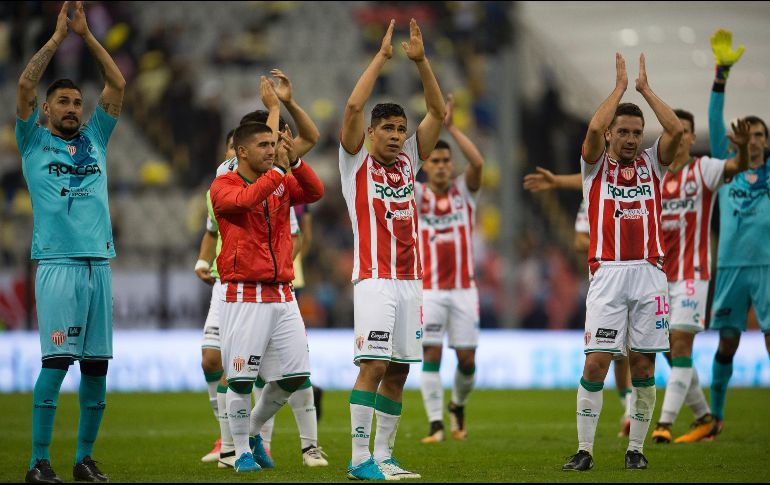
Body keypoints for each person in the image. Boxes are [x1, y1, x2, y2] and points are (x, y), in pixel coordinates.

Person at [15, 2, 125, 482]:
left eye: (77, 103)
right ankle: (39, 462)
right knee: (57, 362)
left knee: (96, 369)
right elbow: (23, 83)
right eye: (63, 102)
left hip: (99, 264)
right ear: (46, 109)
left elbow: (117, 85)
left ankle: (83, 460)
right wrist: (60, 39)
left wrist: (88, 37)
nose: (73, 108)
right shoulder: (34, 142)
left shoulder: (97, 138)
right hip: (57, 264)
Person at [196, 72, 328, 468]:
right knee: (238, 379)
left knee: (294, 376)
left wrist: (296, 161)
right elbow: (250, 198)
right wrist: (279, 167)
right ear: (239, 152)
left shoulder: (279, 179)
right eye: (264, 145)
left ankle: (250, 432)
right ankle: (236, 454)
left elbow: (315, 192)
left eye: (274, 145)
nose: (272, 150)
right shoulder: (223, 186)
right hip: (243, 294)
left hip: (283, 294)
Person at [562, 53, 683, 472]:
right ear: (613, 135)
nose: (631, 139)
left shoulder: (653, 163)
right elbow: (594, 127)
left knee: (644, 364)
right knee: (596, 361)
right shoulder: (594, 168)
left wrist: (645, 91)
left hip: (650, 274)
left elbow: (677, 130)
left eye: (637, 132)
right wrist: (618, 90)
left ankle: (636, 449)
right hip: (608, 273)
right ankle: (585, 449)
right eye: (624, 132)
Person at [339, 19, 445, 481]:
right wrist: (382, 58)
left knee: (400, 371)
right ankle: (359, 458)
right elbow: (353, 104)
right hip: (375, 278)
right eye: (389, 128)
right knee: (375, 363)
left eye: (402, 128)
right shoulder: (355, 159)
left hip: (410, 281)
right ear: (372, 132)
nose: (398, 135)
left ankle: (383, 456)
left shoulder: (409, 161)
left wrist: (422, 63)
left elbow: (439, 114)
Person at [651, 111, 750, 444]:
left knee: (679, 345)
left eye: (684, 132)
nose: (678, 137)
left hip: (693, 274)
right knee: (671, 351)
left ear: (691, 138)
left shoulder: (703, 168)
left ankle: (664, 424)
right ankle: (705, 418)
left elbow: (736, 168)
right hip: (658, 278)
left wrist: (743, 151)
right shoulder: (654, 174)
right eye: (672, 131)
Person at [523, 172, 633, 438]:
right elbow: (579, 239)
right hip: (607, 283)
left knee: (640, 355)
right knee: (615, 357)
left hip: (643, 280)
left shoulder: (642, 190)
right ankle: (628, 411)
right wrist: (616, 243)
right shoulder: (593, 195)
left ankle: (665, 418)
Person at [706, 28, 770, 438]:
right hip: (729, 267)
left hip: (765, 268)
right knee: (727, 343)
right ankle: (716, 417)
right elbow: (714, 120)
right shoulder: (725, 171)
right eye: (751, 133)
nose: (757, 140)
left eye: (762, 134)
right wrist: (720, 75)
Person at [416, 94, 483, 444]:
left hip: (463, 289)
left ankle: (457, 405)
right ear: (426, 165)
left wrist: (452, 129)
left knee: (467, 359)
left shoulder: (463, 192)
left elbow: (478, 162)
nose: (442, 166)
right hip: (429, 288)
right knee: (431, 352)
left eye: (446, 161)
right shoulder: (417, 195)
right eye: (435, 160)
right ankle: (435, 424)